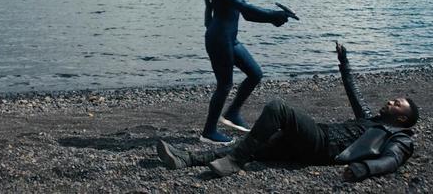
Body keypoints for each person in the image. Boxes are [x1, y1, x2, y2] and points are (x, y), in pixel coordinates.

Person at [157, 41, 419, 182]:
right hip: (311, 143)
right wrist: (344, 61)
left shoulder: (400, 137)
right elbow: (354, 91)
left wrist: (363, 170)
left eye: (397, 104)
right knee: (253, 145)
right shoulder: (370, 118)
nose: (391, 102)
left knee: (278, 108)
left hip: (324, 146)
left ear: (402, 118)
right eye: (394, 99)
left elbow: (391, 161)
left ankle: (233, 163)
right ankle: (187, 159)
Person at [200, 0, 290, 144]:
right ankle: (208, 132)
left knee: (255, 73)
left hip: (230, 40)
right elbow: (243, 8)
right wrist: (273, 15)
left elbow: (247, 15)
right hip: (218, 40)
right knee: (224, 85)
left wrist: (273, 18)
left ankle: (232, 112)